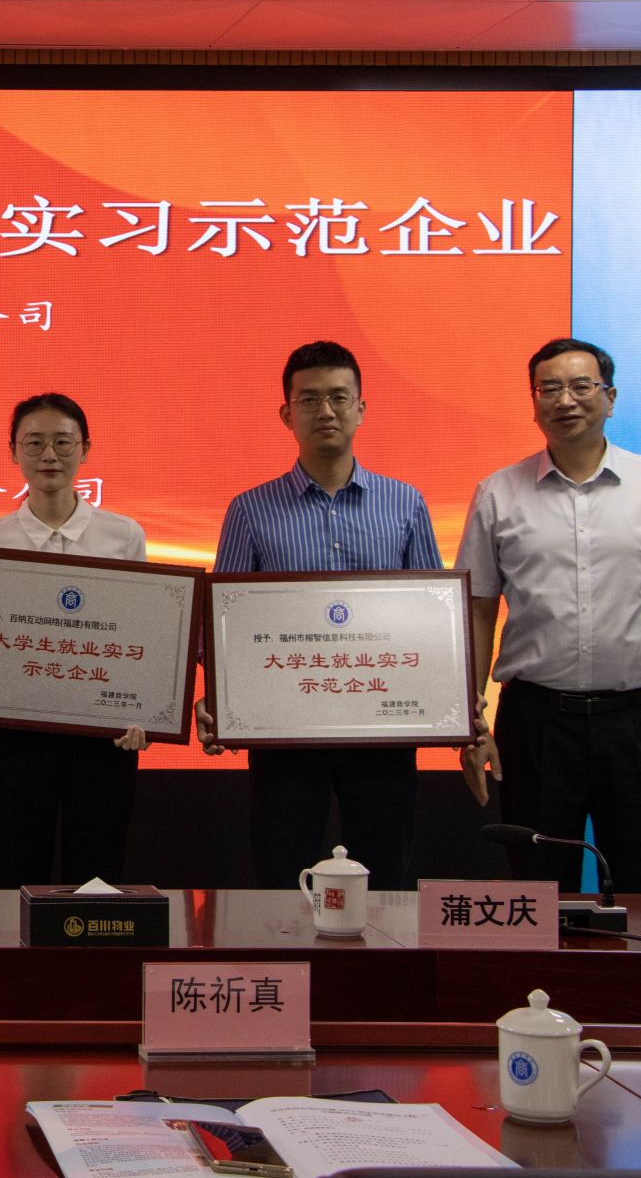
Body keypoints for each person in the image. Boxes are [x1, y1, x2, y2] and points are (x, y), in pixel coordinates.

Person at [456, 338, 641, 894]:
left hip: (639, 721)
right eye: (549, 388)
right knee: (535, 892)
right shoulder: (498, 494)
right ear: (534, 402)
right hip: (535, 723)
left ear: (611, 397)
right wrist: (470, 717)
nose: (565, 400)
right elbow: (478, 613)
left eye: (582, 386)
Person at [201, 341, 441, 891]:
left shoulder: (405, 504)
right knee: (283, 882)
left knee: (384, 883)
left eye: (339, 397)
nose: (325, 411)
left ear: (361, 408)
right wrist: (217, 697)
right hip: (285, 735)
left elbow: (434, 622)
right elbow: (224, 626)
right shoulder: (250, 509)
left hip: (382, 731)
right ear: (287, 414)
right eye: (309, 399)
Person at [0, 393, 151, 888]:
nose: (49, 455)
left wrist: (146, 712)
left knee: (97, 883)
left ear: (85, 449)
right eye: (34, 443)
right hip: (14, 736)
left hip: (101, 736)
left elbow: (142, 633)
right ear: (13, 452)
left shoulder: (124, 535)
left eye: (63, 442)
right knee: (13, 879)